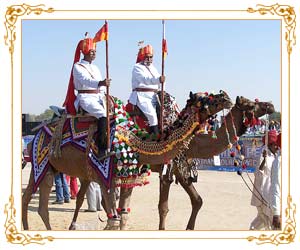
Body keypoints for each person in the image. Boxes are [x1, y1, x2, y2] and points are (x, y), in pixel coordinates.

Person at [63, 33, 113, 161]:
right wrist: (101, 83)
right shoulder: (77, 66)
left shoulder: (95, 67)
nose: (94, 54)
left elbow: (100, 86)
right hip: (85, 97)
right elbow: (85, 80)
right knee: (102, 114)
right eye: (91, 51)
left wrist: (104, 92)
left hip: (98, 96)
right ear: (84, 52)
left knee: (116, 112)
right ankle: (101, 149)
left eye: (95, 51)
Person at [128, 44, 165, 135]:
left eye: (151, 57)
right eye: (147, 57)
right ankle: (155, 137)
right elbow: (145, 79)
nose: (149, 59)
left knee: (166, 112)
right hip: (142, 96)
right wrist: (158, 80)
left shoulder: (154, 68)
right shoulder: (137, 67)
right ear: (142, 57)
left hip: (154, 96)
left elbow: (160, 83)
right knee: (152, 115)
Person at [249, 130, 279, 230]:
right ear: (270, 144)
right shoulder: (263, 155)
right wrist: (264, 159)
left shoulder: (277, 156)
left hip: (271, 194)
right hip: (263, 195)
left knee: (261, 222)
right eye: (275, 144)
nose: (277, 147)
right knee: (269, 222)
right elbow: (258, 172)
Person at [270, 133, 281, 229]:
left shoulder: (279, 161)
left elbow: (276, 187)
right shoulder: (279, 161)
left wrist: (276, 213)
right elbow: (276, 187)